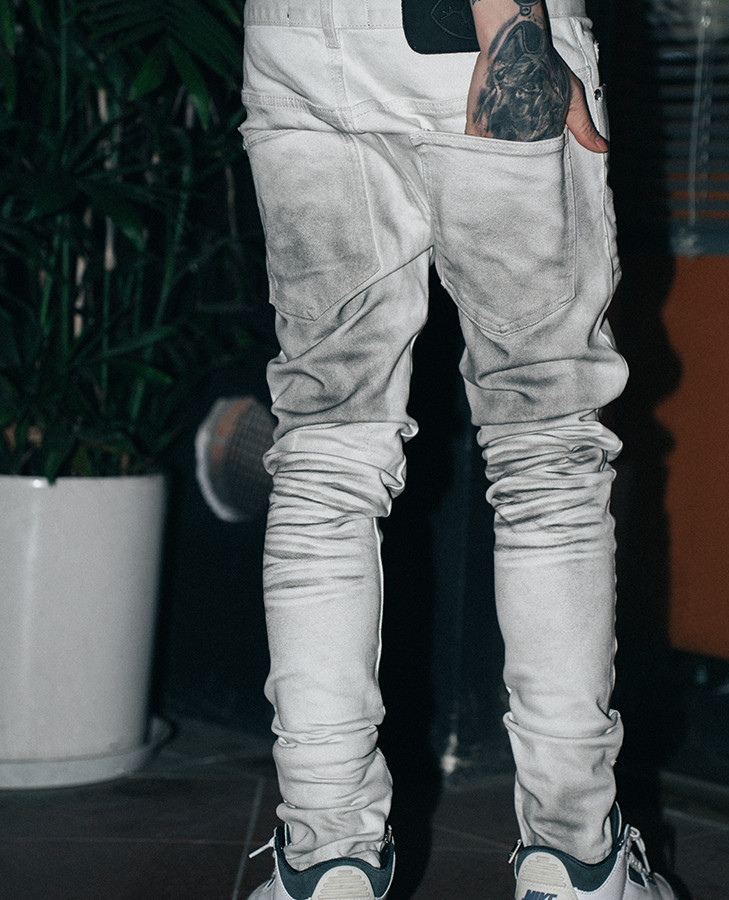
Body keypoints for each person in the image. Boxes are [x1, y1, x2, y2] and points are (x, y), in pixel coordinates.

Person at [239, 1, 677, 898]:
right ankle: (575, 859)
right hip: (462, 32)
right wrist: (509, 19)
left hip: (295, 39)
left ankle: (324, 861)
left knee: (326, 450)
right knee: (547, 452)